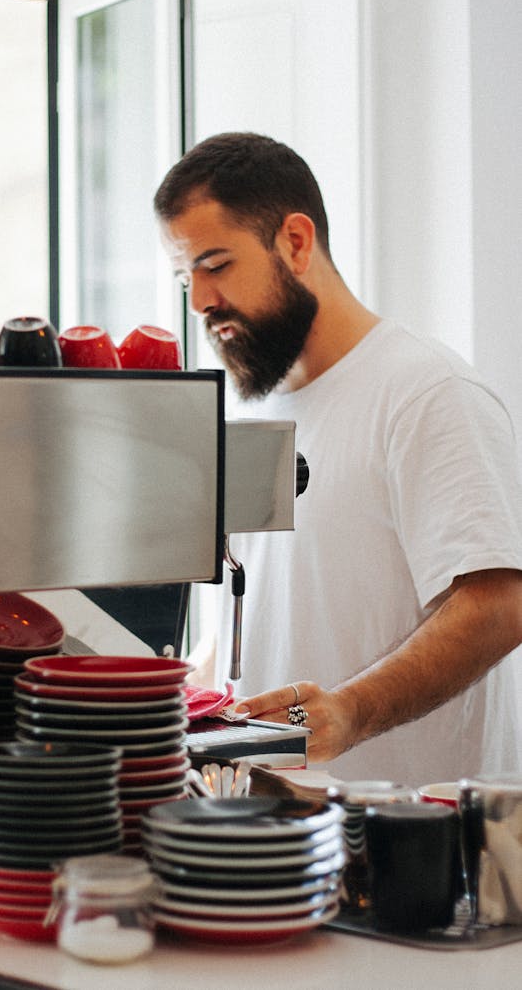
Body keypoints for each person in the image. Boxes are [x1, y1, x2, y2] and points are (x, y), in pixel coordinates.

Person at [154, 131, 522, 783]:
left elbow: (498, 603)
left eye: (216, 265)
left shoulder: (429, 393)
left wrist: (349, 711)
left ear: (296, 242)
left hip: (412, 852)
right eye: (186, 277)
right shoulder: (254, 412)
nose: (200, 302)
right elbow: (265, 610)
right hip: (280, 850)